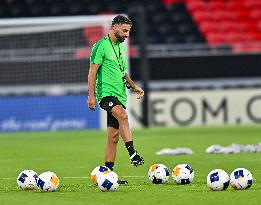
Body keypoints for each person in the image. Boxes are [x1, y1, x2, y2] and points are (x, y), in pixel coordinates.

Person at [87, 15, 145, 184]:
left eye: (129, 31)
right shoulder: (100, 46)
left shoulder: (120, 47)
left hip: (120, 95)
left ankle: (108, 176)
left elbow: (122, 72)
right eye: (125, 30)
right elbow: (92, 72)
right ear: (114, 27)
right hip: (105, 93)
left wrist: (134, 86)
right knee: (124, 116)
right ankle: (133, 154)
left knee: (113, 138)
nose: (127, 34)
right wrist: (91, 96)